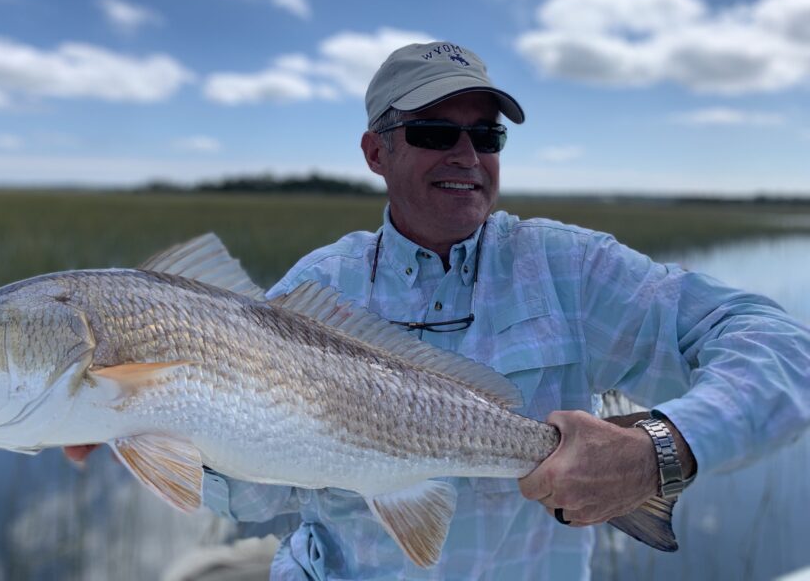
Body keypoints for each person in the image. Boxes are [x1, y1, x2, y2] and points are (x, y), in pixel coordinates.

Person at [68, 41, 810, 580]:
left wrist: (659, 448)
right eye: (432, 132)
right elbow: (264, 487)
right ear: (374, 152)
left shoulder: (572, 268)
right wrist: (152, 427)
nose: (466, 153)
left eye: (486, 135)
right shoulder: (318, 284)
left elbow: (783, 346)